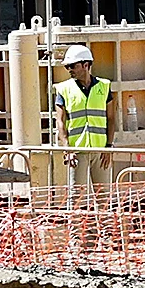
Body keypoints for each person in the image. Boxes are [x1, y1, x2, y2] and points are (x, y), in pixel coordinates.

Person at [53, 40, 115, 194]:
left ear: (86, 65)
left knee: (104, 198)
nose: (69, 69)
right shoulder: (63, 89)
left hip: (100, 151)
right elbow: (60, 122)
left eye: (72, 66)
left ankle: (103, 220)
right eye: (67, 66)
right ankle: (74, 220)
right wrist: (67, 149)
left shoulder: (104, 86)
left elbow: (111, 118)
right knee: (75, 198)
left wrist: (109, 147)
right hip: (77, 152)